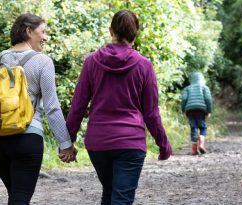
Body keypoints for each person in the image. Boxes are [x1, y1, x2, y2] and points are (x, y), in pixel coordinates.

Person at [66, 10, 173, 205]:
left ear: (111, 31)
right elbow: (151, 112)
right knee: (121, 198)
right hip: (130, 142)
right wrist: (163, 144)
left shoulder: (92, 62)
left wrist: (67, 141)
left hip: (98, 143)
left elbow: (78, 106)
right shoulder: (144, 65)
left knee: (110, 193)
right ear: (135, 33)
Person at [0, 13, 77, 204]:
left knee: (16, 194)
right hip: (27, 137)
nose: (45, 37)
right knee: (20, 197)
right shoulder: (42, 62)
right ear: (28, 31)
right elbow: (52, 108)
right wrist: (66, 144)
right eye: (43, 32)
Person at [181, 72, 212, 155]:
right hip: (201, 110)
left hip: (190, 110)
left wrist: (183, 110)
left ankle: (194, 149)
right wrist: (209, 110)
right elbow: (208, 99)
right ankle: (201, 145)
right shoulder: (205, 88)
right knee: (203, 127)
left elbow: (184, 99)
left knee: (193, 127)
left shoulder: (187, 88)